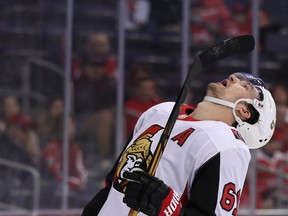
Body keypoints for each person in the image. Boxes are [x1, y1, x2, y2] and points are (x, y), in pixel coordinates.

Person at [82, 72, 276, 215]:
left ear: (244, 111)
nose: (234, 77)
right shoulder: (161, 112)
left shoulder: (226, 144)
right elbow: (113, 183)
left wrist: (170, 208)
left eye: (244, 86)